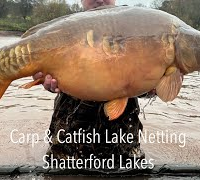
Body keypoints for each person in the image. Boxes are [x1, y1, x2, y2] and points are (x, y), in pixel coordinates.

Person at [33, 0, 156, 166]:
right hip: (68, 141)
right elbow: (41, 72)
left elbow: (142, 84)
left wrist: (154, 86)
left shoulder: (137, 26)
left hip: (122, 141)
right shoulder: (62, 29)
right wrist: (43, 79)